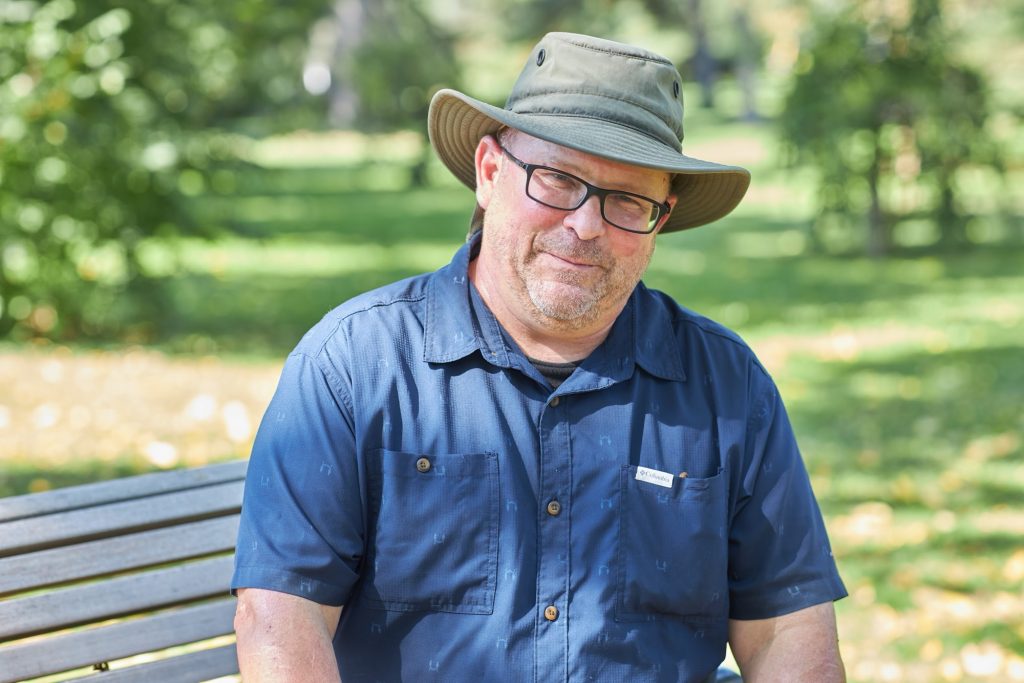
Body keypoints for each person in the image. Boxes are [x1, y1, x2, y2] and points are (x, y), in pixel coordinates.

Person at [231, 32, 847, 683]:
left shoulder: (725, 385)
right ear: (491, 172)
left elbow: (785, 629)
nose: (584, 225)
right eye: (557, 179)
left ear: (659, 220)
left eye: (627, 200)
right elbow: (280, 618)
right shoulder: (355, 367)